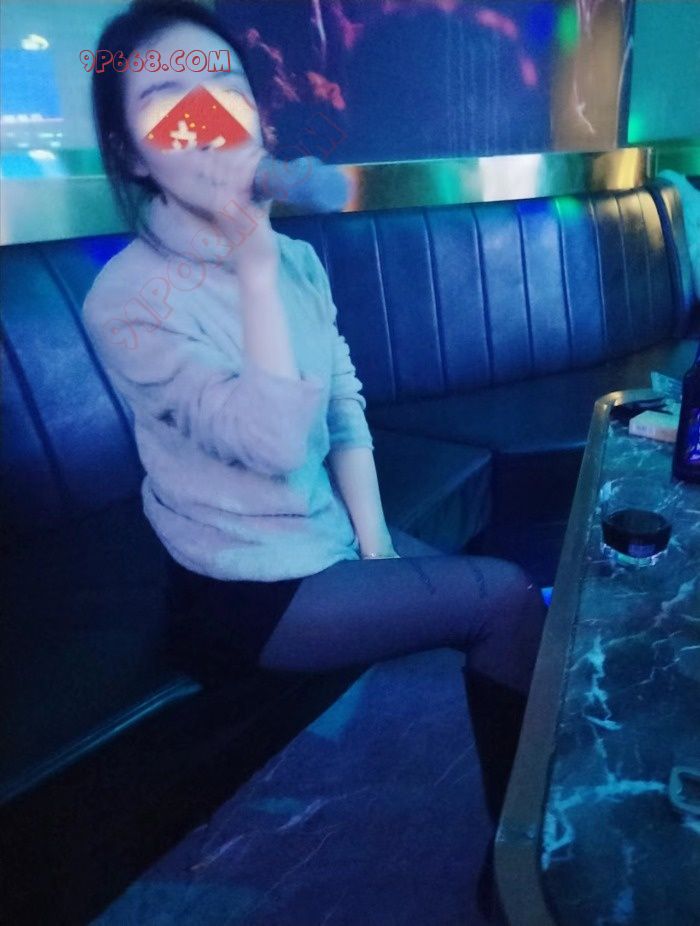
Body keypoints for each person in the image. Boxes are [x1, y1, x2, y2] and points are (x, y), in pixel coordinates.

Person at [84, 3, 547, 912]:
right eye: (168, 99)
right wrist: (252, 262)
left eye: (224, 87)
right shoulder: (126, 299)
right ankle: (520, 875)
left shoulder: (297, 262)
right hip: (241, 589)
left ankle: (509, 825)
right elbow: (272, 442)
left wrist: (376, 550)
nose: (206, 117)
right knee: (501, 597)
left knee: (504, 604)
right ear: (133, 154)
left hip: (324, 541)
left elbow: (341, 408)